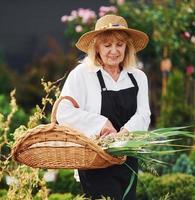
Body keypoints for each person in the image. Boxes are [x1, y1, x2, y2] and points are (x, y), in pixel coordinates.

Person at [56, 14, 151, 200]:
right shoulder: (82, 74)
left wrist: (125, 133)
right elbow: (63, 112)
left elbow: (144, 114)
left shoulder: (138, 77)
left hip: (128, 158)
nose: (114, 51)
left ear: (127, 46)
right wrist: (101, 124)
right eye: (107, 45)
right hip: (95, 160)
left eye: (120, 45)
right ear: (97, 47)